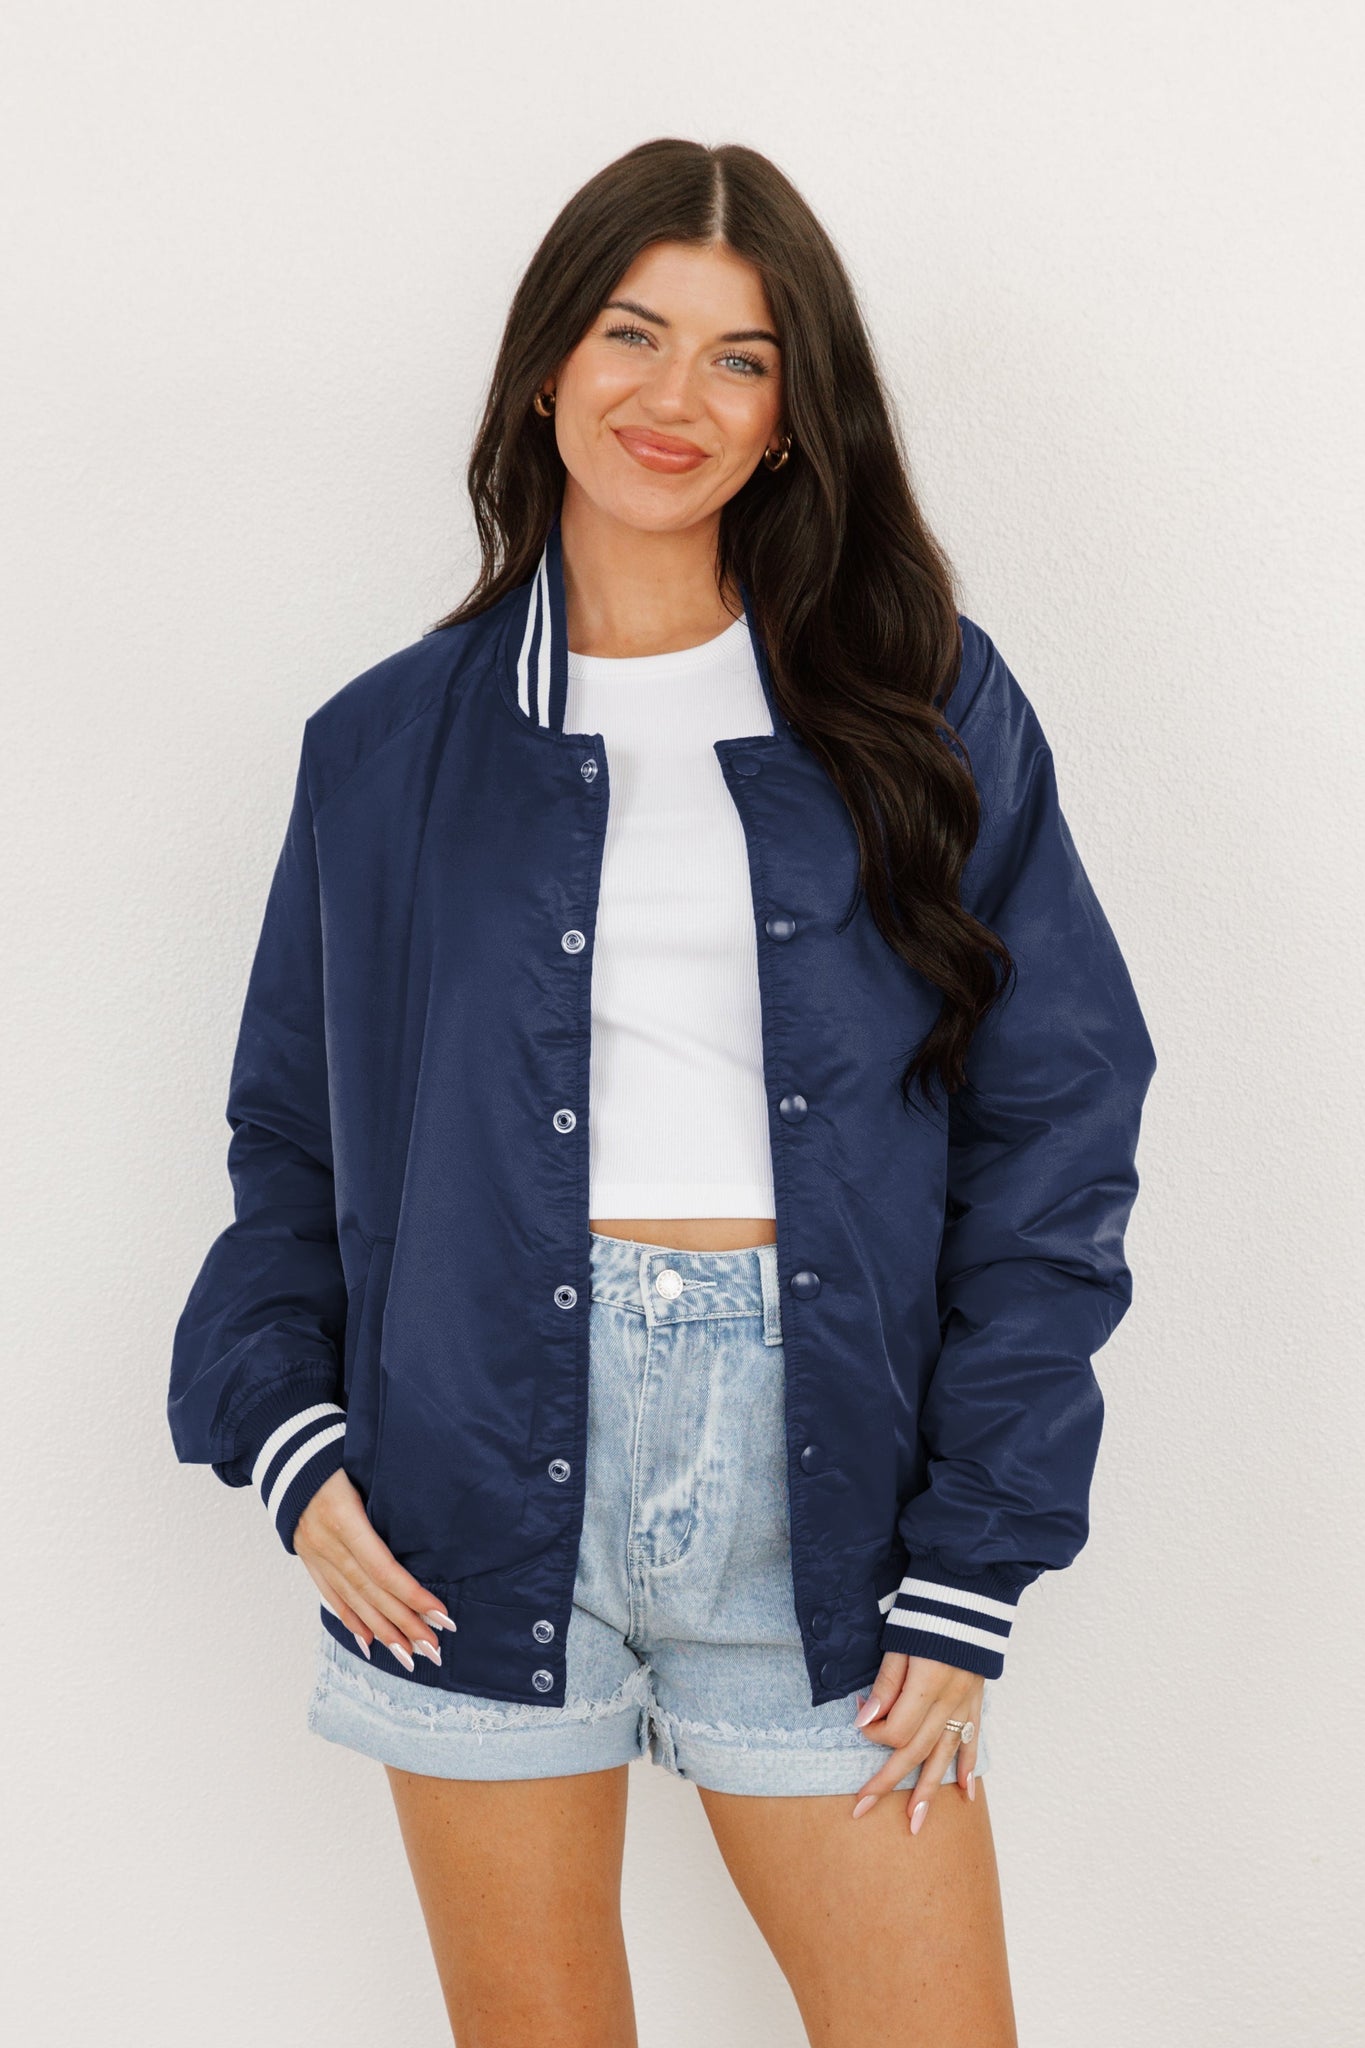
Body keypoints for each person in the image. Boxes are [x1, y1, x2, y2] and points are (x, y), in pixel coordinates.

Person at [167, 137, 1157, 2047]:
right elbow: (288, 1136)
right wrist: (283, 1432)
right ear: (548, 362)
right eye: (632, 333)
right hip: (462, 1483)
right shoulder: (384, 747)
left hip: (825, 1483)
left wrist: (974, 1549)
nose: (672, 396)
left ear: (790, 418)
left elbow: (1058, 1118)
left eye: (740, 357)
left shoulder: (924, 706)